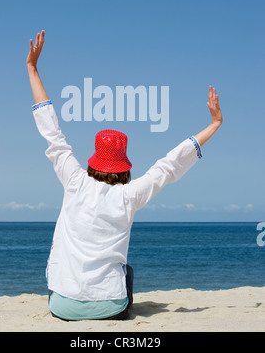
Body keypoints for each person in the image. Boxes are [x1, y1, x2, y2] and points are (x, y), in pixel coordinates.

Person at [26, 30, 223, 321]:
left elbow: (51, 131)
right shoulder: (129, 195)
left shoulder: (74, 180)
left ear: (94, 160)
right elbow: (169, 166)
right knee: (126, 271)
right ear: (124, 166)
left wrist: (32, 68)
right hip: (111, 307)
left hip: (62, 308)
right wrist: (215, 124)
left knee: (65, 279)